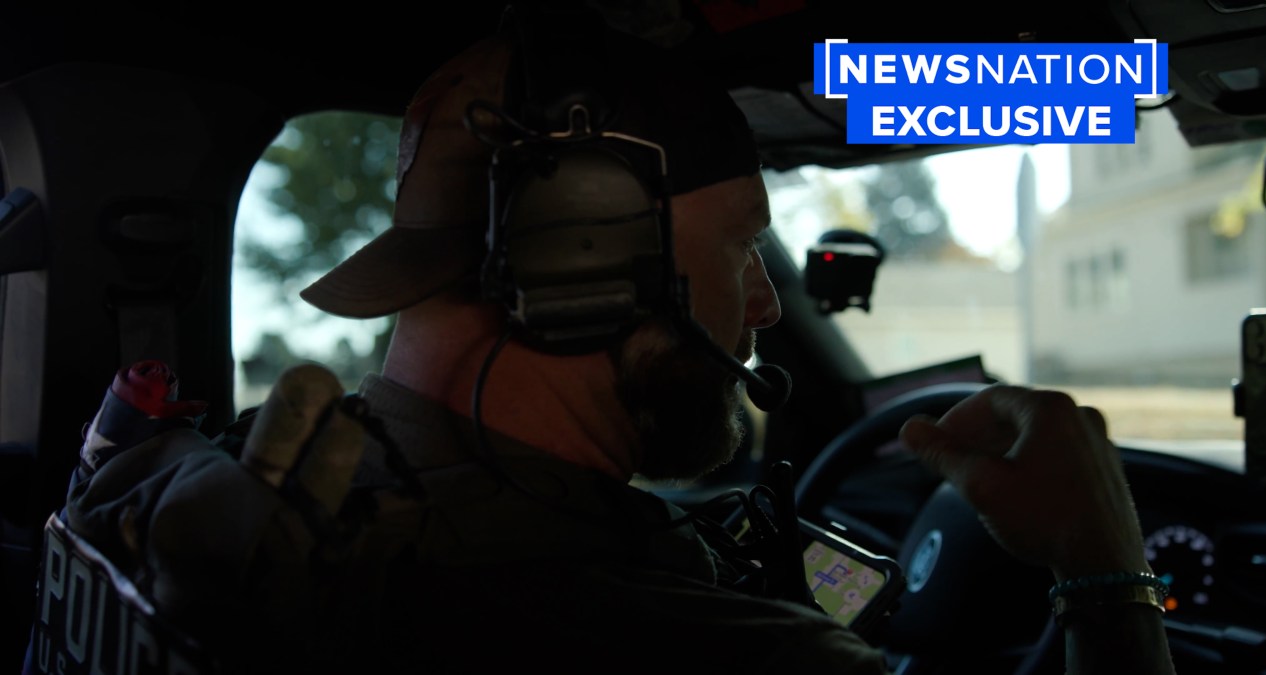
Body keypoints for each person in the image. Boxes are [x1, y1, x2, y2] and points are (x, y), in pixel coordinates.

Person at [47, 12, 1175, 675]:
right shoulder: (671, 642)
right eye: (738, 252)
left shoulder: (209, 492)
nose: (767, 308)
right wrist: (1104, 568)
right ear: (576, 245)